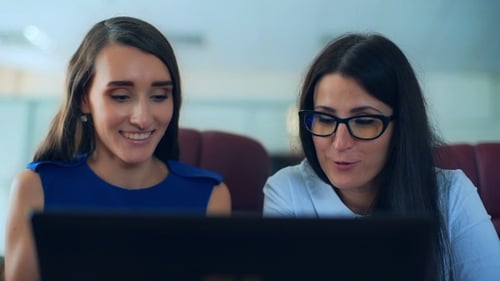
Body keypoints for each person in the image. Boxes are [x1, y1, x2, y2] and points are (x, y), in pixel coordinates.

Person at [5, 16, 231, 281]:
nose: (143, 118)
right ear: (83, 99)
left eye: (159, 96)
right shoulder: (35, 188)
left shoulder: (210, 196)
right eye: (121, 96)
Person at [263, 33, 500, 281]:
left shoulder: (451, 193)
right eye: (325, 119)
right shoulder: (287, 190)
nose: (340, 143)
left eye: (364, 121)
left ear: (402, 127)